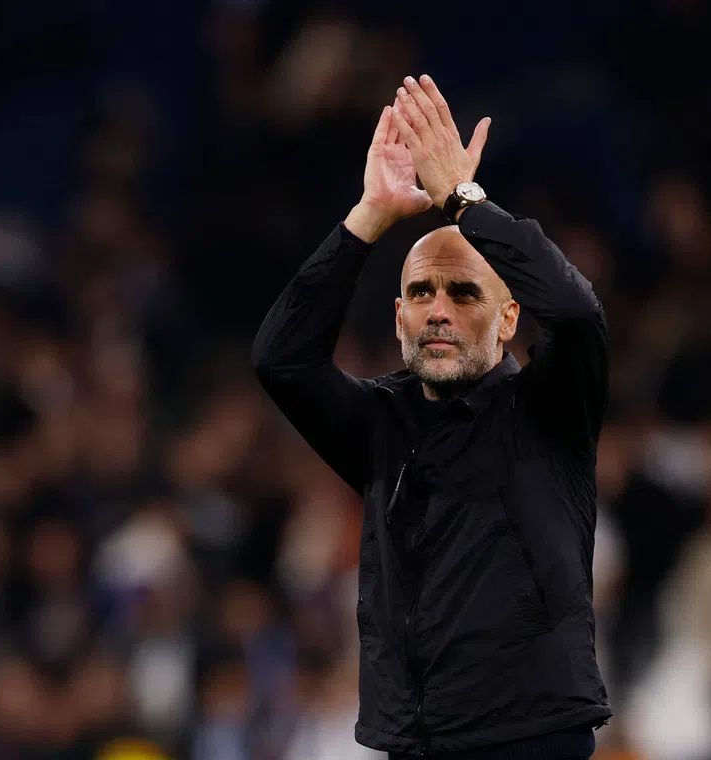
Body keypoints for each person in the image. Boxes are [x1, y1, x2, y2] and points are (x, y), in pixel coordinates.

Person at [253, 74, 612, 759]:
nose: (439, 309)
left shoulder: (550, 405)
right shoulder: (379, 423)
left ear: (510, 318)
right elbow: (280, 360)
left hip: (529, 740)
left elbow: (574, 311)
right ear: (398, 318)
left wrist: (462, 201)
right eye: (420, 292)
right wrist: (369, 217)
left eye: (464, 292)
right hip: (413, 740)